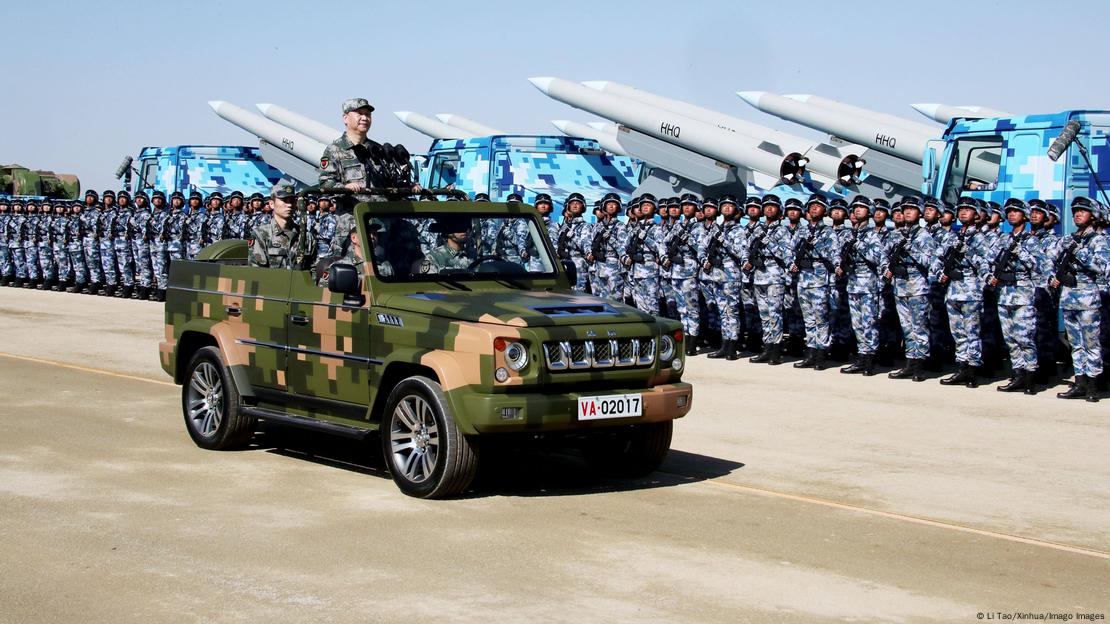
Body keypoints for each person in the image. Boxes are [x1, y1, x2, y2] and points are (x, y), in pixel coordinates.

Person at [1052, 197, 1107, 401]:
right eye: (1075, 211)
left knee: (1091, 344)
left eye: (1082, 211)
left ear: (1092, 215)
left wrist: (1079, 252)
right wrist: (1053, 276)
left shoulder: (1098, 240)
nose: (1077, 214)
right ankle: (1080, 383)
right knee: (1076, 344)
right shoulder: (1069, 238)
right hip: (1069, 298)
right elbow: (1049, 258)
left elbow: (1101, 267)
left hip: (1087, 299)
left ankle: (1093, 386)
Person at [990, 198, 1045, 394]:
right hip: (1004, 294)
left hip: (1023, 295)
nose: (1012, 214)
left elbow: (1040, 267)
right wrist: (990, 276)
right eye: (1009, 211)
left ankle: (1030, 377)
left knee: (1025, 338)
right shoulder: (1003, 239)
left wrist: (1020, 251)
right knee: (1011, 339)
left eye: (1016, 211)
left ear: (1025, 215)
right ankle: (1018, 374)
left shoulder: (1031, 240)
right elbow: (991, 262)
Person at [935, 197, 991, 387]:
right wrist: (940, 273)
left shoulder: (980, 238)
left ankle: (973, 370)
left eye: (968, 209)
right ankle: (961, 368)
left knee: (972, 333)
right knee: (958, 334)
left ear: (976, 214)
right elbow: (937, 258)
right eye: (961, 209)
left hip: (971, 291)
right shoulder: (952, 237)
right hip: (952, 291)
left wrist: (968, 252)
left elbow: (986, 265)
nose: (963, 212)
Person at [319, 98, 420, 199]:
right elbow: (325, 182)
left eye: (368, 114)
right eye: (359, 113)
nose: (364, 118)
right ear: (345, 118)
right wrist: (344, 188)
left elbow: (393, 181)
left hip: (380, 211)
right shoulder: (334, 150)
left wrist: (409, 185)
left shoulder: (378, 150)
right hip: (353, 213)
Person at [884, 197, 937, 381]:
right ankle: (910, 362)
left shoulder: (924, 235)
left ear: (920, 213)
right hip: (900, 286)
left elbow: (929, 261)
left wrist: (911, 249)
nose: (907, 212)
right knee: (907, 328)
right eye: (905, 209)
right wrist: (887, 269)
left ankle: (919, 365)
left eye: (912, 209)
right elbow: (885, 255)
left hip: (917, 288)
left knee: (919, 327)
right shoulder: (896, 234)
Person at [742, 194, 795, 365]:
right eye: (766, 206)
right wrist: (747, 262)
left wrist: (769, 243)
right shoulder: (758, 229)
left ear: (779, 210)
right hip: (759, 276)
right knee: (764, 315)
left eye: (773, 206)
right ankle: (767, 347)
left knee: (774, 314)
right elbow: (747, 248)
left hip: (774, 276)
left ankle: (776, 350)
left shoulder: (782, 230)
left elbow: (787, 255)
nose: (769, 209)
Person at [791, 194, 839, 370]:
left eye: (818, 206)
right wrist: (792, 264)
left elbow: (835, 257)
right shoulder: (802, 231)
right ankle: (811, 352)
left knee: (821, 319)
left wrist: (817, 248)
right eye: (812, 205)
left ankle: (821, 354)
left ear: (824, 211)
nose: (814, 208)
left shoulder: (828, 232)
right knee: (808, 319)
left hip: (820, 280)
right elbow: (790, 250)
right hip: (803, 279)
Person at [838, 197, 885, 376]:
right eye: (855, 207)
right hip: (853, 283)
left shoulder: (872, 234)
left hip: (868, 285)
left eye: (862, 208)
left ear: (870, 212)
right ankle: (861, 356)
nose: (857, 210)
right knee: (857, 324)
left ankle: (869, 359)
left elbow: (878, 258)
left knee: (869, 323)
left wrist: (860, 246)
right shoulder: (852, 233)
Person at [664, 194, 704, 354]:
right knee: (681, 308)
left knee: (691, 307)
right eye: (684, 205)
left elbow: (701, 249)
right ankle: (685, 337)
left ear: (696, 208)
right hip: (675, 270)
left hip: (689, 270)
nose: (687, 208)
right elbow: (665, 241)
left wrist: (689, 240)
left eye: (690, 205)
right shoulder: (677, 225)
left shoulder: (699, 227)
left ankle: (693, 341)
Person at [249, 177, 311, 269]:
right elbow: (258, 273)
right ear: (271, 204)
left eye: (292, 201)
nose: (289, 205)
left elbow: (314, 269)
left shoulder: (306, 235)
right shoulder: (261, 235)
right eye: (284, 200)